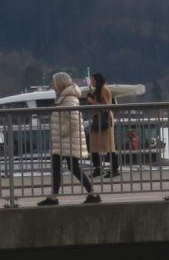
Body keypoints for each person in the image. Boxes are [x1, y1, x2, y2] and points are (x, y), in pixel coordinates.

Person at [39, 72, 99, 206]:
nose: (52, 85)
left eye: (54, 82)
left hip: (67, 140)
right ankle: (54, 196)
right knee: (62, 167)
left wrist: (60, 132)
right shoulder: (66, 97)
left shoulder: (69, 99)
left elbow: (73, 121)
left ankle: (92, 194)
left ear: (60, 83)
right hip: (65, 141)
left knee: (71, 167)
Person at [84, 71, 121, 178]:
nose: (91, 82)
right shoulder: (99, 89)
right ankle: (98, 168)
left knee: (109, 146)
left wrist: (92, 102)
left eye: (93, 80)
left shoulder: (104, 89)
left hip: (104, 120)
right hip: (99, 119)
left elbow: (106, 105)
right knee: (93, 144)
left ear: (97, 80)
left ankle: (113, 169)